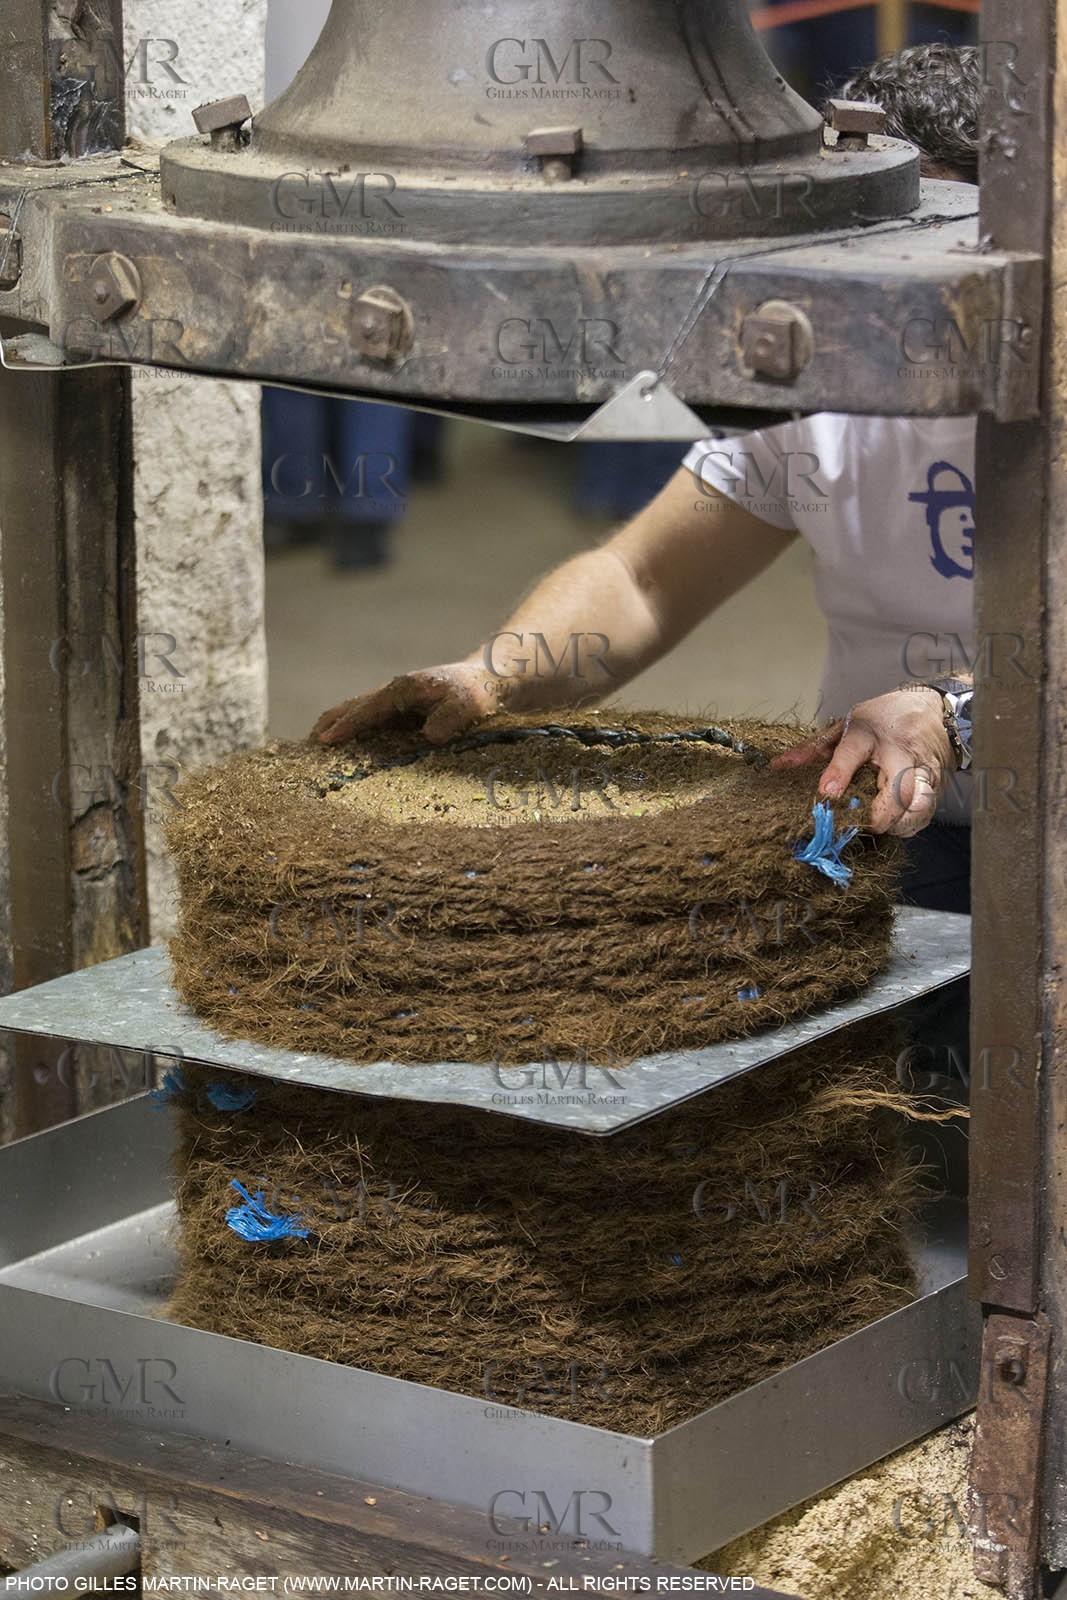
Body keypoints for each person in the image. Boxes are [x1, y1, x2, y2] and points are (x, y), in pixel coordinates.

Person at [311, 43, 983, 918]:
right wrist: (491, 677)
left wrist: (953, 714)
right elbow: (643, 581)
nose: (884, 297)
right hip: (892, 834)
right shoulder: (832, 382)